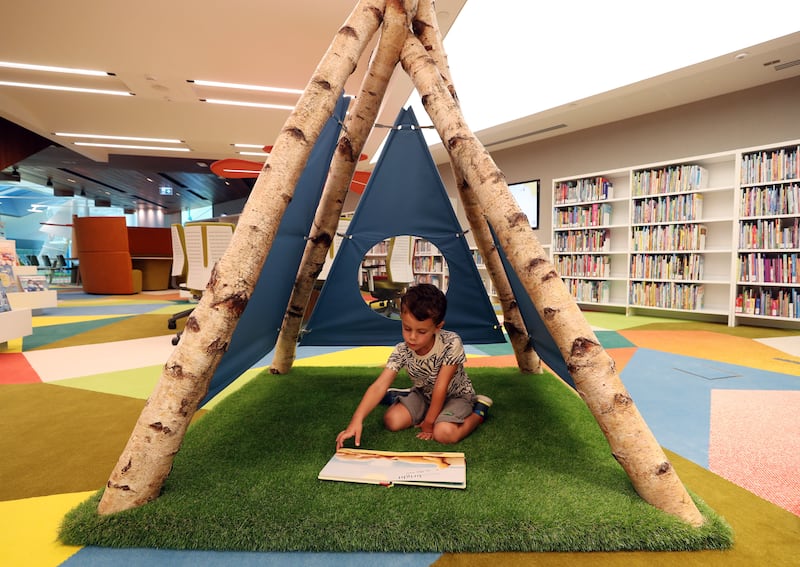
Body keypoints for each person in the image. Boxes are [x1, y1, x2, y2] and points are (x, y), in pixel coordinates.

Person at [335, 283, 492, 449]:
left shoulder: (451, 343)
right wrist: (355, 421)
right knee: (392, 421)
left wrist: (429, 422)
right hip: (424, 394)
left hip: (456, 397)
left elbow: (441, 387)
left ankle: (479, 411)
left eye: (421, 332)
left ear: (438, 327)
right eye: (407, 328)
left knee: (443, 433)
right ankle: (403, 396)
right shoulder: (401, 350)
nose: (412, 337)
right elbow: (379, 385)